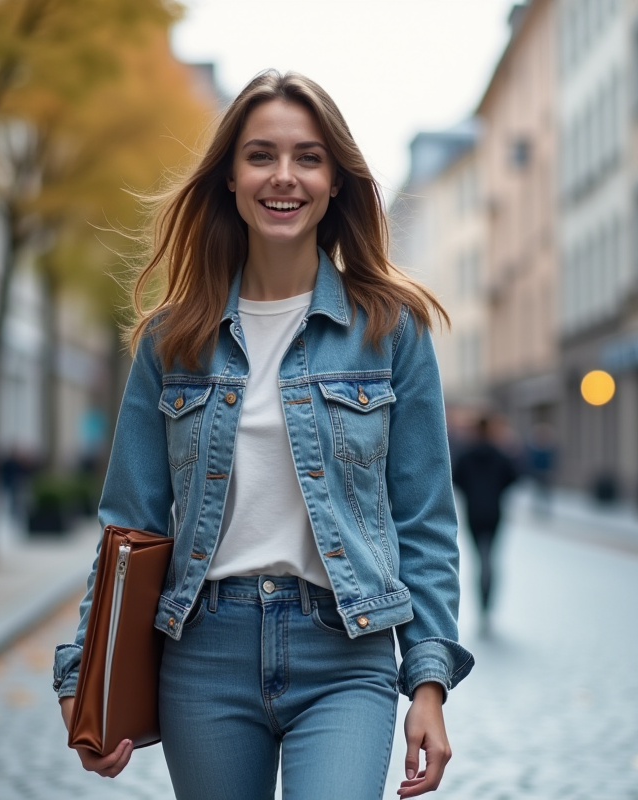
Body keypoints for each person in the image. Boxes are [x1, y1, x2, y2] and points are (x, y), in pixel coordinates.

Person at [52, 71, 473, 800]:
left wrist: (428, 682)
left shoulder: (390, 329)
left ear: (336, 180)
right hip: (205, 654)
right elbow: (129, 522)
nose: (285, 177)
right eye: (261, 156)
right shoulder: (170, 340)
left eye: (309, 157)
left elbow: (426, 521)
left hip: (346, 651)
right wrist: (82, 673)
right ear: (230, 178)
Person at [452, 416, 518, 632]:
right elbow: (514, 476)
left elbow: (456, 478)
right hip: (494, 513)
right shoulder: (500, 455)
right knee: (490, 559)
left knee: (480, 560)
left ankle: (483, 604)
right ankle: (487, 604)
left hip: (474, 514)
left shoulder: (466, 455)